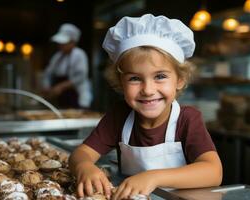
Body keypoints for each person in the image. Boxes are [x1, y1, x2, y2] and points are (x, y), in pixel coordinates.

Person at [69, 14, 223, 200]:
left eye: (160, 76)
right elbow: (81, 153)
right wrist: (84, 167)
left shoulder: (187, 119)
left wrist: (153, 178)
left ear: (180, 80)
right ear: (120, 83)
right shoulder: (119, 116)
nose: (148, 90)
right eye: (135, 78)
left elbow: (213, 172)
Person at [42, 23, 92, 109]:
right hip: (62, 100)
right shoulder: (57, 56)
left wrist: (61, 86)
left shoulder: (79, 54)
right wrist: (46, 86)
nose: (60, 45)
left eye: (64, 43)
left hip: (77, 99)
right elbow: (48, 73)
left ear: (73, 42)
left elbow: (80, 77)